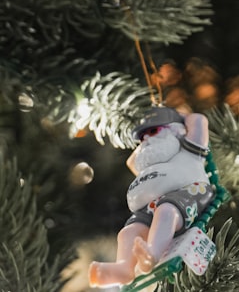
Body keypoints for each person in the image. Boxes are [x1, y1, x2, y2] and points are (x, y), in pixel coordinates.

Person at [89, 106, 215, 287]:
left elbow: (199, 121)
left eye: (154, 130)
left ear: (175, 130)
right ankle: (124, 268)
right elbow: (132, 161)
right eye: (142, 137)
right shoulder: (151, 162)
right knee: (128, 232)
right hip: (151, 204)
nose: (146, 138)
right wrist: (149, 144)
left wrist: (178, 116)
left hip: (189, 193)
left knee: (166, 211)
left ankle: (152, 254)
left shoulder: (188, 149)